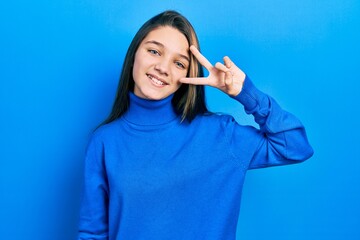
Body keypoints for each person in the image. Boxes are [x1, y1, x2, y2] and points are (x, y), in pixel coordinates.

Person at [78, 10, 314, 240]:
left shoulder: (222, 135)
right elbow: (92, 233)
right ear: (134, 54)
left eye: (179, 63)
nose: (163, 67)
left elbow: (295, 146)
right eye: (154, 51)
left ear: (188, 77)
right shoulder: (104, 141)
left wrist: (246, 93)